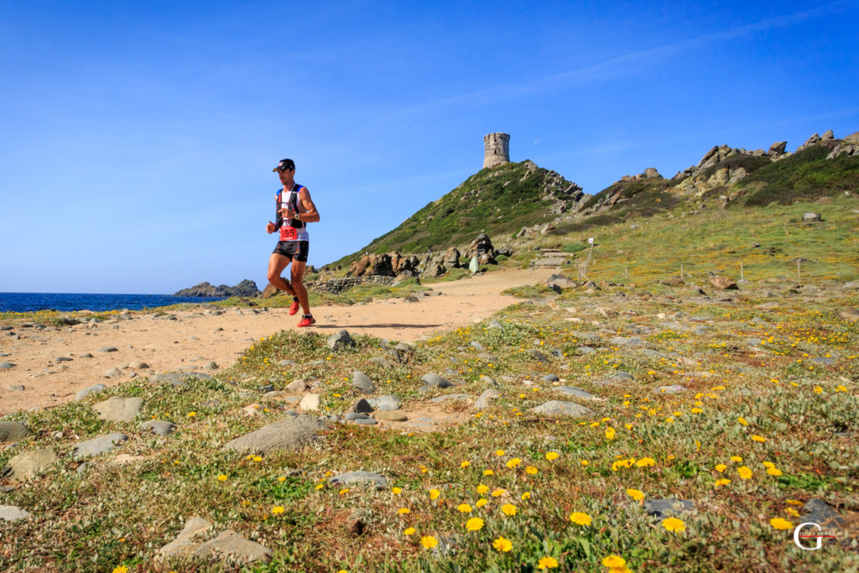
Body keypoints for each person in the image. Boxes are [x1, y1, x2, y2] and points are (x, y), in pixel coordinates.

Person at [266, 158, 320, 327]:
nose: (280, 175)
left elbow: (316, 216)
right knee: (272, 276)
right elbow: (281, 220)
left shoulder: (301, 192)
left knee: (296, 281)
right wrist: (273, 227)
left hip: (299, 240)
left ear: (292, 171)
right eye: (279, 172)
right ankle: (295, 296)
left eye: (284, 171)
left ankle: (307, 315)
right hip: (283, 240)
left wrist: (295, 215)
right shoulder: (278, 194)